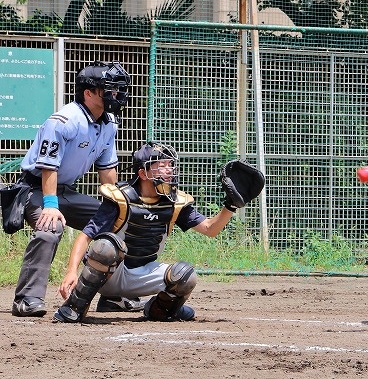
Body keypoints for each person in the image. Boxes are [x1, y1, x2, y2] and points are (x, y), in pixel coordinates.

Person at [53, 141, 248, 323]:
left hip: (143, 274)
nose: (169, 170)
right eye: (162, 165)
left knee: (186, 276)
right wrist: (71, 272)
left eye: (170, 165)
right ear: (143, 173)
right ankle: (75, 306)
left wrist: (230, 205)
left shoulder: (174, 202)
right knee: (105, 246)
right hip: (109, 276)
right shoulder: (120, 198)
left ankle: (160, 310)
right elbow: (85, 237)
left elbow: (210, 229)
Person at [11, 60, 136, 317]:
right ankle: (27, 299)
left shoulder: (109, 122)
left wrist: (116, 206)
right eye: (108, 90)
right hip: (35, 189)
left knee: (120, 221)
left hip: (65, 190)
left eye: (117, 90)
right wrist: (50, 205)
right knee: (50, 228)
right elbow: (48, 168)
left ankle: (113, 296)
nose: (115, 95)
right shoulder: (65, 120)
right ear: (88, 93)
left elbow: (107, 171)